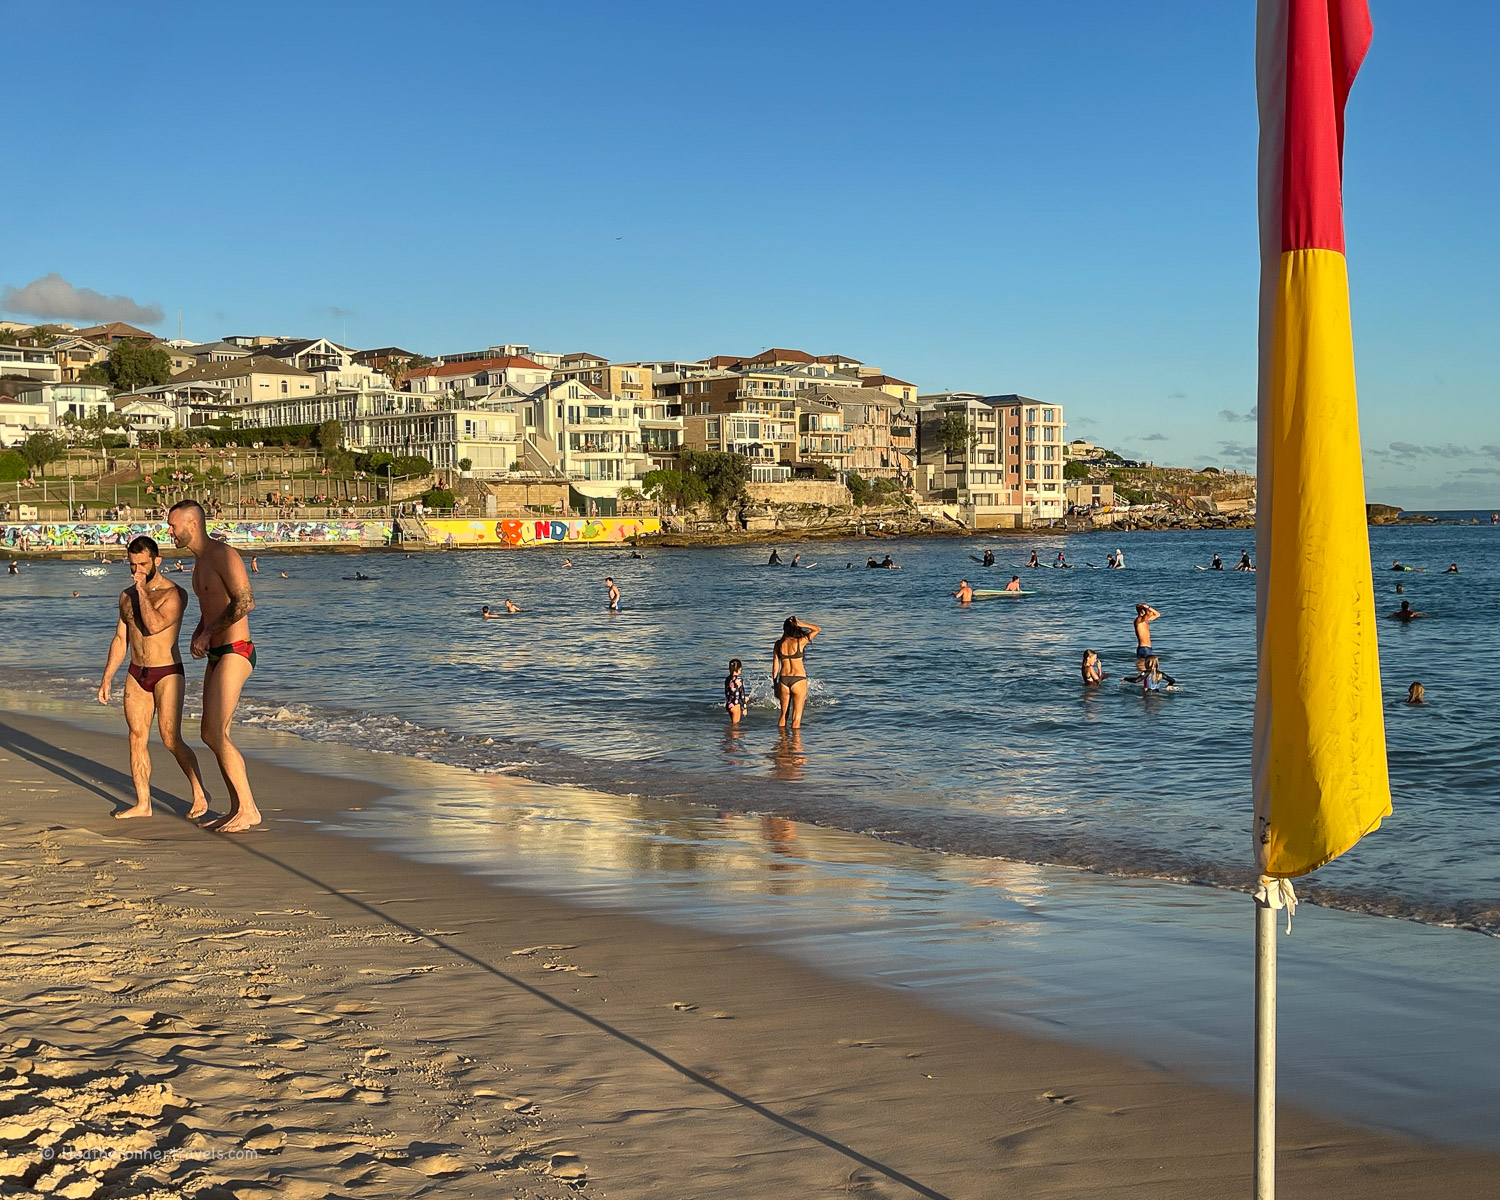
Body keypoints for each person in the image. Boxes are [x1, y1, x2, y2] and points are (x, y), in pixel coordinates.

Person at [97, 535, 211, 821]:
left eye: (143, 565)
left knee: (171, 738)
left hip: (167, 672)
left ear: (157, 561)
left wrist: (141, 591)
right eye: (132, 564)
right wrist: (107, 677)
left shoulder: (174, 594)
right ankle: (143, 803)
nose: (137, 570)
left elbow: (154, 624)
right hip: (136, 672)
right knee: (136, 737)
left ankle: (200, 792)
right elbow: (120, 638)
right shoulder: (125, 596)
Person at [167, 499, 259, 833]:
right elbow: (211, 608)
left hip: (236, 649)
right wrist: (199, 633)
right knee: (209, 733)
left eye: (173, 525)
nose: (169, 531)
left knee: (218, 732)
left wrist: (208, 632)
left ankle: (249, 809)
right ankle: (236, 808)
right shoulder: (198, 563)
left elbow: (245, 601)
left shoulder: (223, 554)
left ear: (192, 524)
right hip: (217, 652)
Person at [772, 615, 821, 729]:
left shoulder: (778, 644)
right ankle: (796, 740)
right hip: (798, 680)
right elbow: (817, 629)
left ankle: (782, 739)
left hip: (783, 680)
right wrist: (801, 623)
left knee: (783, 715)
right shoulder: (800, 641)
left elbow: (775, 668)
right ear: (795, 628)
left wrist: (775, 685)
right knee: (796, 718)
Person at [724, 658, 747, 725]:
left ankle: (727, 732)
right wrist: (744, 707)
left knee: (732, 724)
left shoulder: (728, 679)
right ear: (739, 669)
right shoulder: (739, 680)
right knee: (735, 726)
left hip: (729, 704)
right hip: (735, 705)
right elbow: (742, 694)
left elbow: (726, 692)